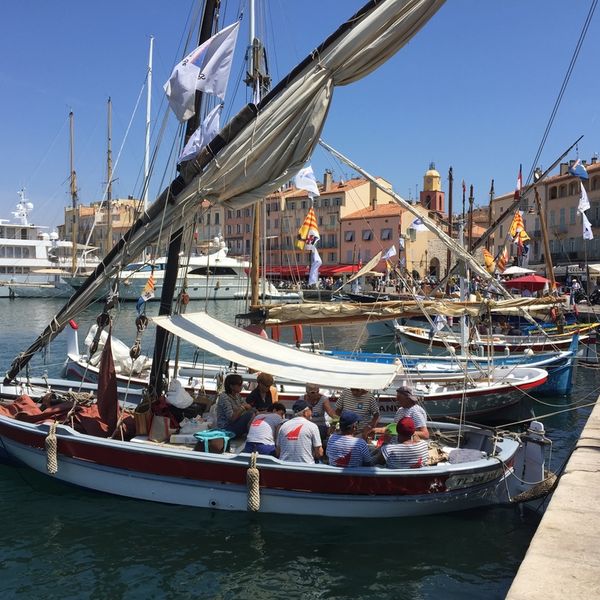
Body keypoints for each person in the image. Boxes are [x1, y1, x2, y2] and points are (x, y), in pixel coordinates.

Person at [276, 399, 323, 463]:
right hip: (306, 468)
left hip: (285, 466)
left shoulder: (283, 426)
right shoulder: (312, 426)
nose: (312, 412)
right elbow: (319, 453)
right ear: (305, 412)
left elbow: (278, 452)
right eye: (311, 409)